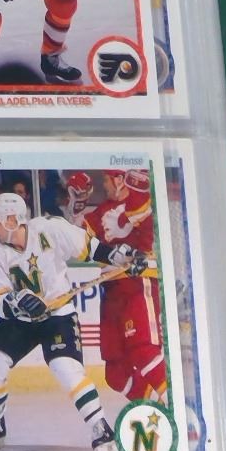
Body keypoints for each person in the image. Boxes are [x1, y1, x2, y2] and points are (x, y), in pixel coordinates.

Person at [0, 189, 149, 451]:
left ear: (12, 220)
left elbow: (90, 248)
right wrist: (18, 301)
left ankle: (99, 426)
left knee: (66, 368)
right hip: (22, 321)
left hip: (58, 316)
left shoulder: (49, 229)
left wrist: (122, 257)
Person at [80, 170, 167, 402]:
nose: (104, 185)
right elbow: (78, 240)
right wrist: (73, 210)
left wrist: (136, 186)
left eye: (106, 180)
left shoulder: (139, 201)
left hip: (138, 282)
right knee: (116, 373)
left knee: (143, 349)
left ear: (119, 180)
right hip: (111, 291)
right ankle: (156, 408)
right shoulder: (100, 212)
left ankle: (175, 405)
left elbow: (146, 218)